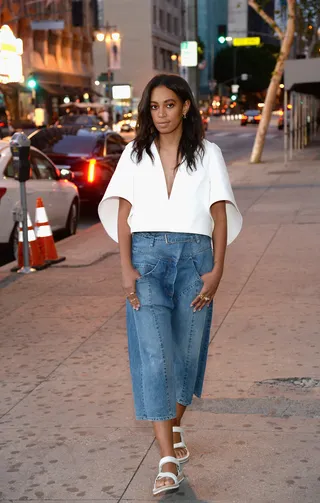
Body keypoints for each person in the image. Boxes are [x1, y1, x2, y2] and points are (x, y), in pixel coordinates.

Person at [98, 74, 242, 496]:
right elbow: (124, 213)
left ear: (185, 107)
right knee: (155, 356)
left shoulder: (209, 153)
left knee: (187, 357)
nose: (161, 114)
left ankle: (172, 428)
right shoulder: (133, 153)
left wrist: (217, 269)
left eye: (169, 105)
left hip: (196, 261)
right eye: (155, 106)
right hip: (146, 261)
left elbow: (218, 213)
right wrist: (125, 267)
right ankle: (167, 460)